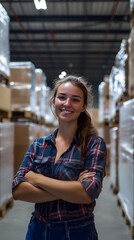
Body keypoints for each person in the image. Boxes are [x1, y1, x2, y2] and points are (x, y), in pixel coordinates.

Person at [12, 75, 107, 240]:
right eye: (62, 97)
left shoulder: (94, 144)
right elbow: (18, 190)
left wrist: (36, 178)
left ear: (84, 106)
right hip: (38, 230)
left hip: (77, 231)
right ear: (54, 101)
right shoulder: (39, 145)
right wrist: (73, 188)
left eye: (75, 99)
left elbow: (86, 194)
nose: (67, 104)